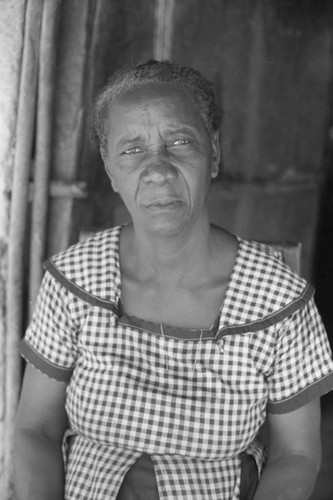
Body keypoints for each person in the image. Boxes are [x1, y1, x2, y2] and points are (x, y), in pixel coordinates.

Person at [14, 60, 333, 500]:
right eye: (132, 150)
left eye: (180, 142)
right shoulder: (73, 279)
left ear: (214, 154)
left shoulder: (280, 300)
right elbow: (36, 428)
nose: (158, 170)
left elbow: (296, 456)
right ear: (109, 169)